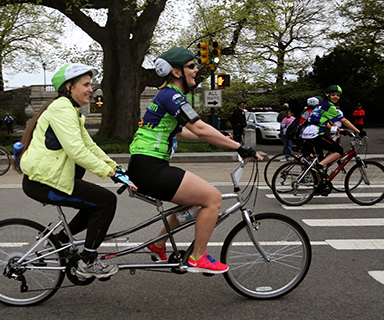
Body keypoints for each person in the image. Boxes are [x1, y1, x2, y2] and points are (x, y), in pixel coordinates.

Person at [127, 47, 263, 274]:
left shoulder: (166, 96)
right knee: (212, 198)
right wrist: (240, 146)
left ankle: (157, 244)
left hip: (146, 165)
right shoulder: (172, 95)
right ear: (177, 72)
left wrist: (222, 139)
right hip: (150, 168)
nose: (196, 70)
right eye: (191, 66)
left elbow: (182, 131)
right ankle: (198, 257)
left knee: (193, 202)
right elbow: (199, 128)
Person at [18, 63, 137, 279]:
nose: (91, 89)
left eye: (90, 84)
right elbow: (77, 151)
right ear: (69, 87)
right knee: (106, 201)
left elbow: (90, 147)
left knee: (95, 203)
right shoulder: (61, 109)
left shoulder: (70, 111)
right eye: (86, 84)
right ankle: (88, 262)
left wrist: (116, 168)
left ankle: (62, 240)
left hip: (53, 179)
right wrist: (110, 174)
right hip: (44, 182)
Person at [301, 85, 364, 173]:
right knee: (339, 150)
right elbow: (344, 121)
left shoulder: (321, 105)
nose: (336, 97)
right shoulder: (329, 106)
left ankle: (319, 184)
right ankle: (319, 167)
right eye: (333, 95)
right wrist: (358, 131)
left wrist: (339, 130)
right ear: (328, 95)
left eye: (338, 95)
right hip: (316, 134)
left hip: (307, 133)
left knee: (320, 158)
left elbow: (328, 121)